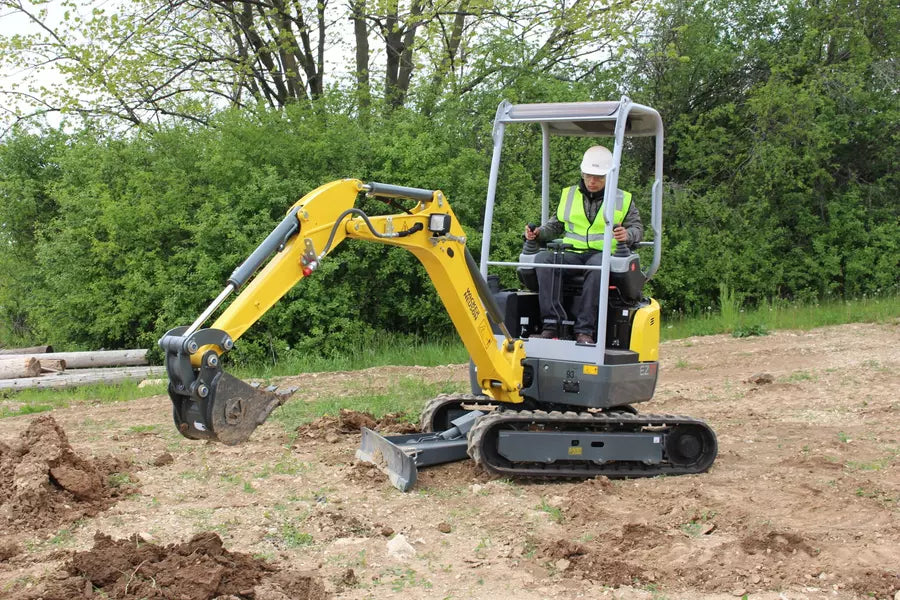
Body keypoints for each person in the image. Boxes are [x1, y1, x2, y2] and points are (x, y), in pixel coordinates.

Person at [524, 145, 643, 345]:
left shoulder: (623, 199)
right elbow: (555, 225)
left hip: (603, 255)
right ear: (582, 173)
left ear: (608, 176)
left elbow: (637, 229)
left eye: (598, 177)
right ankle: (552, 326)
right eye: (589, 176)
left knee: (597, 268)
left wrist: (628, 234)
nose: (592, 181)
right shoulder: (569, 195)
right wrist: (538, 233)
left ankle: (584, 331)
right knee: (544, 259)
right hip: (572, 253)